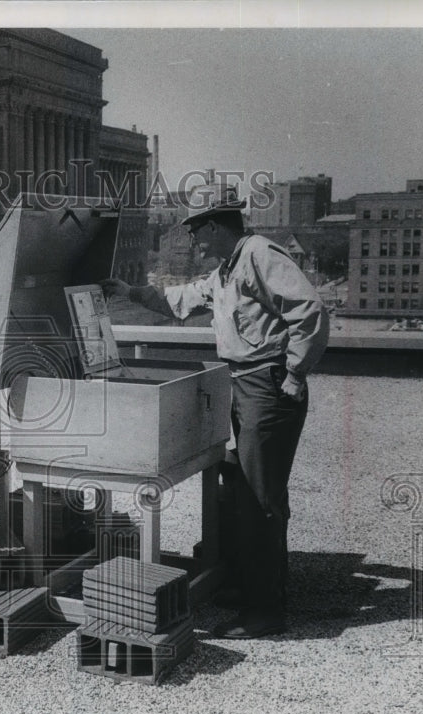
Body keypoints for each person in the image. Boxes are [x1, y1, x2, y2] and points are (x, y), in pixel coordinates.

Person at [101, 186, 329, 639]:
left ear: (213, 225)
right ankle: (248, 587)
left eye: (195, 231)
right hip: (243, 383)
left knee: (260, 499)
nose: (191, 242)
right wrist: (130, 292)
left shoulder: (260, 254)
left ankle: (264, 612)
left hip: (267, 384)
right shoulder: (226, 269)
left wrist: (295, 373)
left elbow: (310, 309)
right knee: (241, 491)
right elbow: (181, 300)